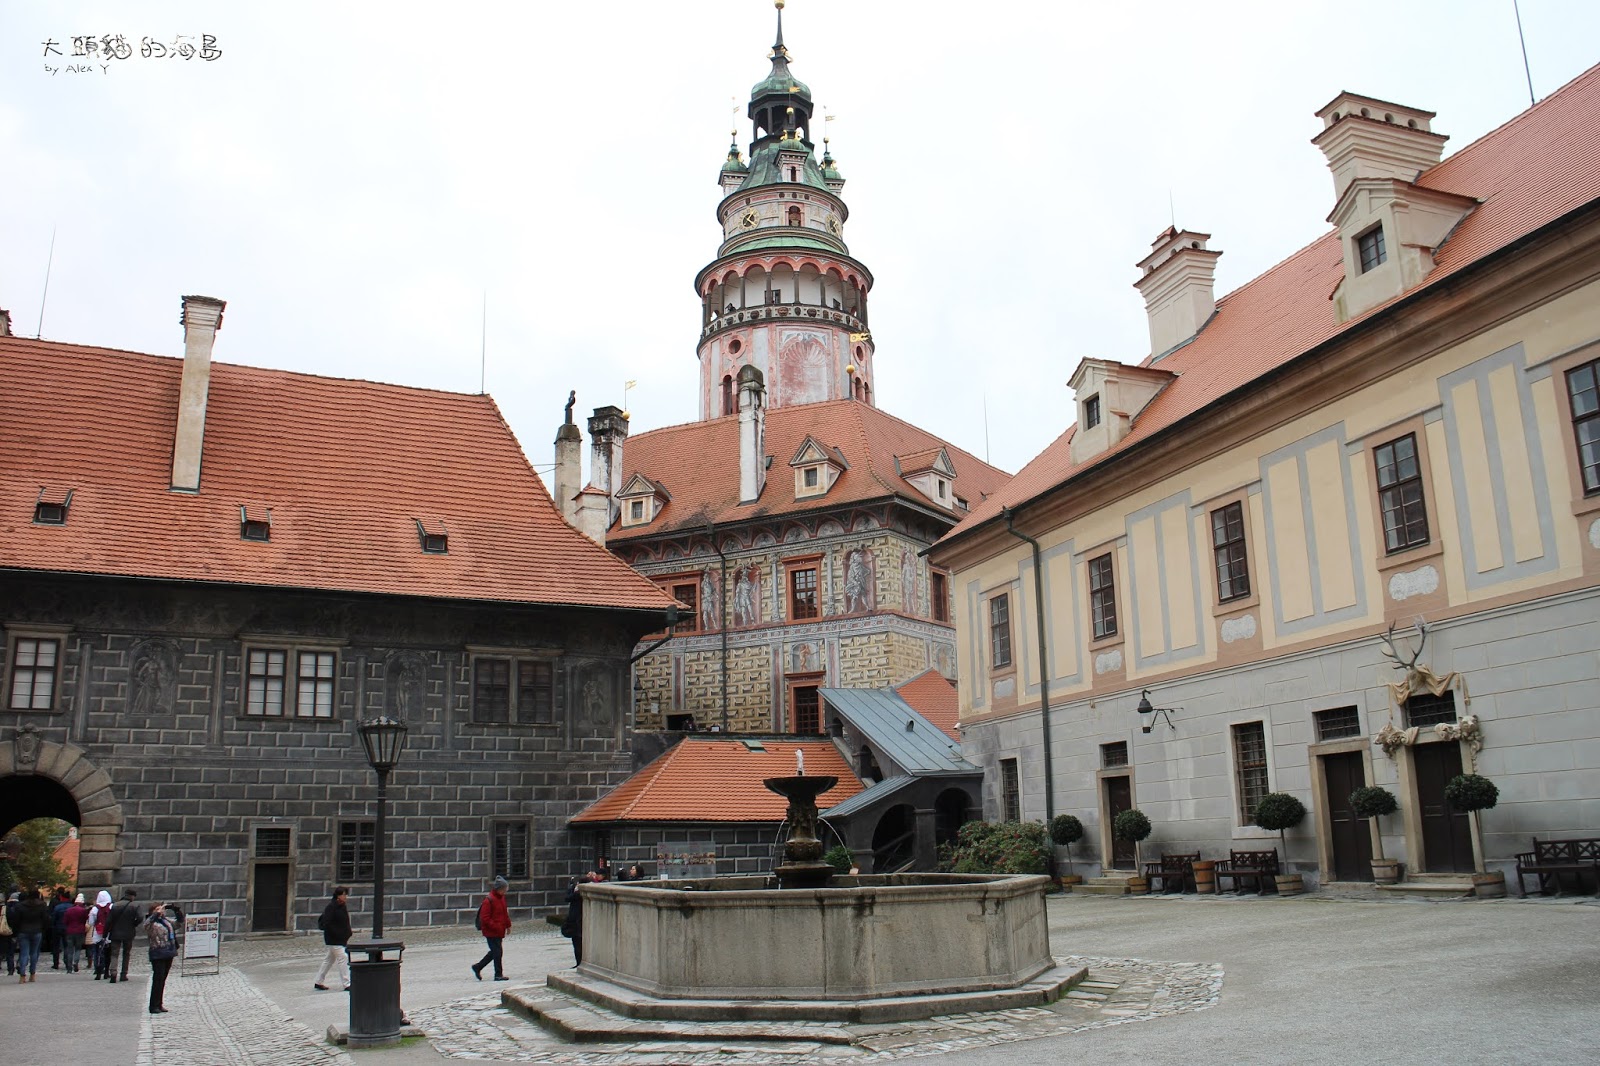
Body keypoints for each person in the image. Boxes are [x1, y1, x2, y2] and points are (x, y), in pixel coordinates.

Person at [143, 901, 184, 1014]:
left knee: (162, 980)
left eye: (161, 909)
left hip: (168, 952)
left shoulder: (166, 921)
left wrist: (177, 911)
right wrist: (156, 914)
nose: (161, 911)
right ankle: (153, 1005)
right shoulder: (151, 923)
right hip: (158, 952)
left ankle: (159, 1003)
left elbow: (178, 923)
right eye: (157, 909)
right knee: (158, 979)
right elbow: (146, 925)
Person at [470, 876, 511, 982]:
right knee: (497, 952)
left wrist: (508, 925)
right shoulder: (489, 900)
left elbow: (504, 913)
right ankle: (498, 974)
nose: (505, 891)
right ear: (499, 888)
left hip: (498, 930)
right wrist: (496, 926)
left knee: (495, 952)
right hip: (491, 931)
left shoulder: (501, 898)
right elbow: (485, 918)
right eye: (504, 889)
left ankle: (478, 967)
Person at [313, 886, 352, 991]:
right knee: (343, 958)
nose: (345, 897)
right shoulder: (332, 907)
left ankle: (318, 981)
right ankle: (347, 983)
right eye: (344, 894)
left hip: (339, 938)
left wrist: (347, 933)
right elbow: (327, 923)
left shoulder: (342, 906)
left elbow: (344, 921)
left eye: (346, 894)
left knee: (328, 960)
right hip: (334, 939)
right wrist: (337, 934)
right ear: (338, 896)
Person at [562, 872, 598, 967]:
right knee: (577, 942)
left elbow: (569, 898)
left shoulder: (580, 894)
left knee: (579, 943)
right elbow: (567, 898)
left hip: (579, 919)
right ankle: (579, 962)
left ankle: (581, 962)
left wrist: (575, 891)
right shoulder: (576, 892)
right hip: (575, 920)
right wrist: (573, 888)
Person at [12, 888, 49, 983]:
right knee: (34, 953)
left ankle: (22, 975)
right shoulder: (42, 905)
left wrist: (16, 931)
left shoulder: (20, 906)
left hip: (23, 931)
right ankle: (32, 974)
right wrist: (43, 929)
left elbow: (16, 920)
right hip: (37, 930)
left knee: (24, 953)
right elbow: (45, 919)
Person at [106, 888, 141, 983]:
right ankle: (123, 974)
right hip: (129, 932)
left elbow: (109, 921)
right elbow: (140, 917)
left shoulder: (115, 905)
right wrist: (134, 924)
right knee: (126, 953)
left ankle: (113, 973)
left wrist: (105, 934)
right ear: (132, 896)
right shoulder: (135, 906)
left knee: (114, 953)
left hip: (115, 932)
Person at [87, 890, 113, 979]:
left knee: (98, 953)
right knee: (108, 954)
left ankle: (98, 972)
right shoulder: (111, 907)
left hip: (98, 933)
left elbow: (91, 922)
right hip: (109, 933)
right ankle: (106, 972)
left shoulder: (95, 909)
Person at [63, 893, 88, 973]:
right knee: (78, 948)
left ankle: (69, 968)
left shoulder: (69, 910)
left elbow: (65, 921)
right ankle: (75, 962)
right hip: (80, 931)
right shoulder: (83, 911)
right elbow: (85, 920)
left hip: (70, 931)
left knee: (70, 950)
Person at [49, 887, 70, 969]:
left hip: (57, 927)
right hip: (67, 928)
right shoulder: (71, 906)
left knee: (56, 946)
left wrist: (52, 925)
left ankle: (56, 963)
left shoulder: (56, 905)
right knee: (67, 946)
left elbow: (52, 916)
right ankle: (67, 962)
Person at [0, 892, 16, 976]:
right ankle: (10, 969)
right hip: (6, 933)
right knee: (9, 952)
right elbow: (12, 921)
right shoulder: (7, 909)